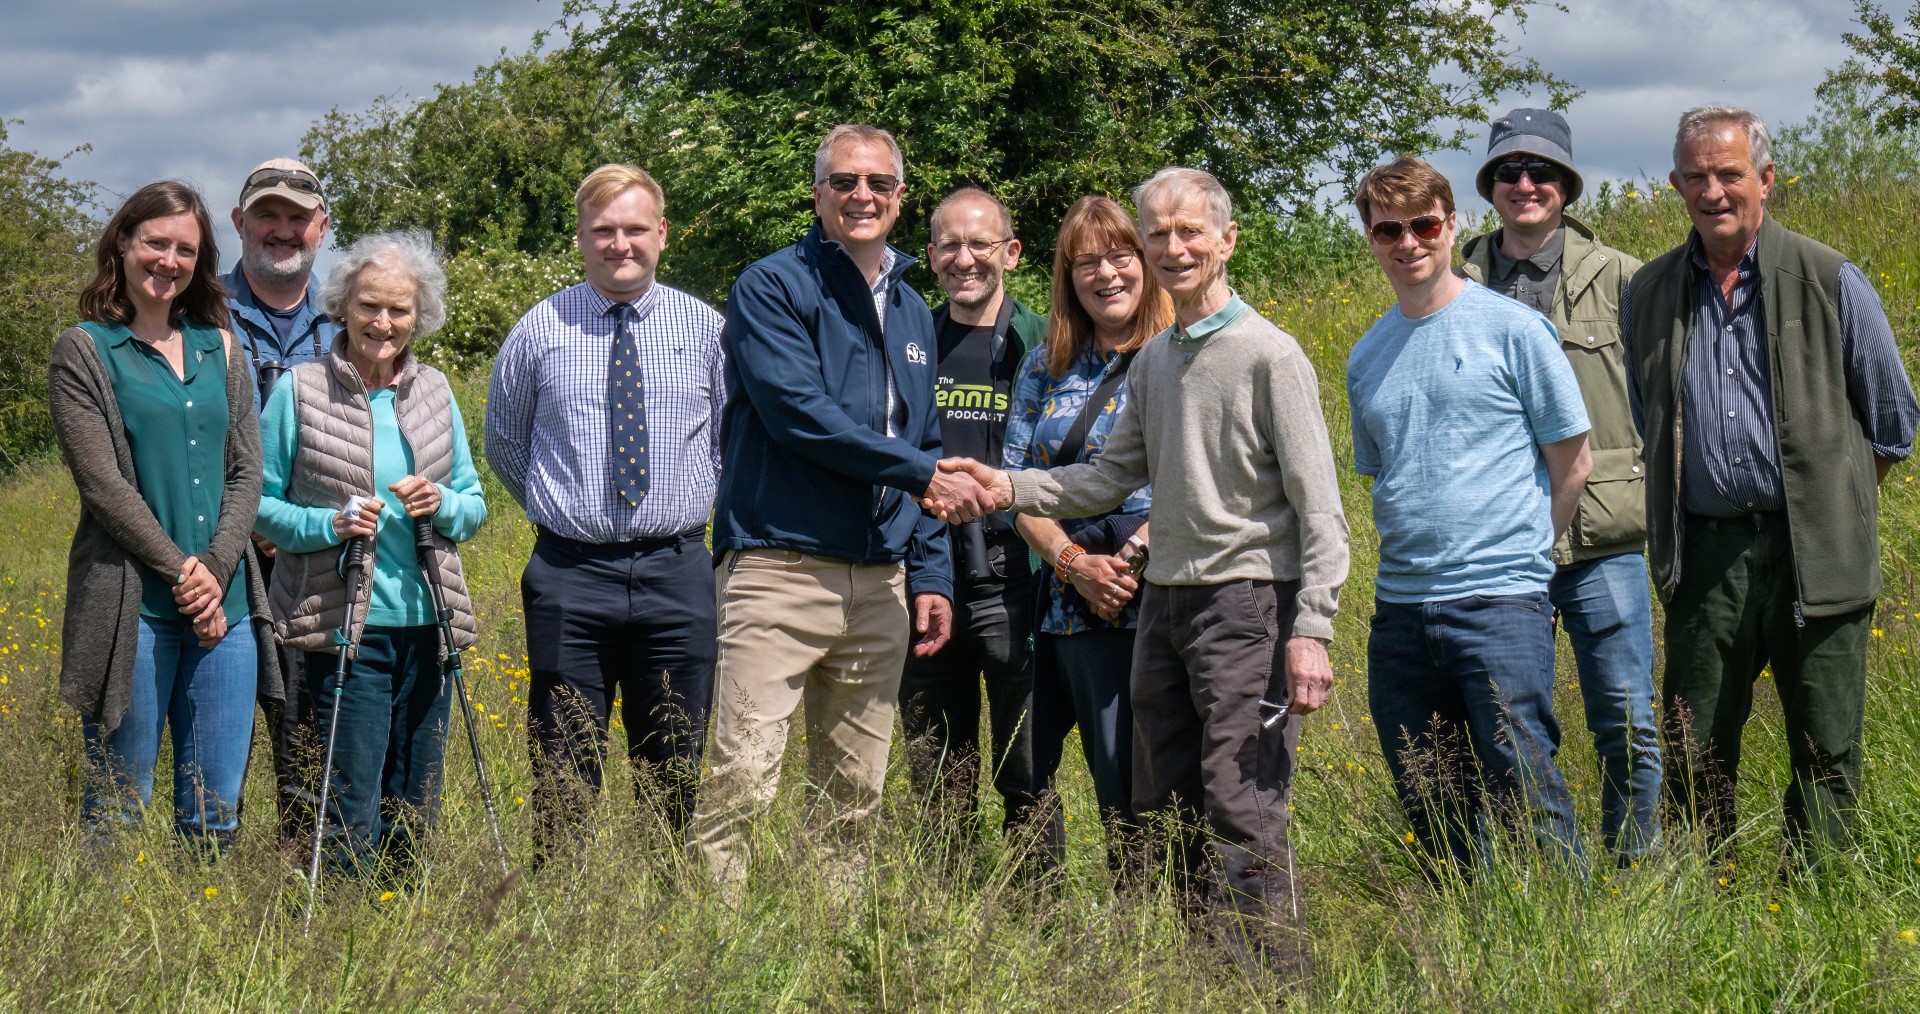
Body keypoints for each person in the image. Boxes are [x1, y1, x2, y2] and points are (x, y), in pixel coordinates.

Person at [935, 168, 1348, 967]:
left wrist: (1313, 628)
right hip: (1162, 608)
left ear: (1227, 241)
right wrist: (1004, 485)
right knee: (1161, 801)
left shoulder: (1270, 354)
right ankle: (1199, 968)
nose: (1172, 247)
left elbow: (1320, 506)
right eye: (1159, 232)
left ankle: (1270, 979)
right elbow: (1101, 478)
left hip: (1247, 602)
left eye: (1190, 231)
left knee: (1241, 800)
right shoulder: (1156, 361)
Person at [689, 124, 991, 886]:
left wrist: (930, 576)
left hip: (881, 582)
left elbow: (921, 437)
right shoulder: (772, 285)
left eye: (878, 184)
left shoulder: (916, 310)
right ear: (818, 192)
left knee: (853, 796)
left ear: (899, 197)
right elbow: (799, 413)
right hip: (779, 568)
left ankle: (835, 963)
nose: (862, 196)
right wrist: (921, 474)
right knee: (741, 787)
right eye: (845, 182)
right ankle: (716, 967)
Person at [1624, 106, 1918, 861]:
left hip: (1813, 552)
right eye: (1696, 177)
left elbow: (1893, 423)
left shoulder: (1829, 278)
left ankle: (1814, 903)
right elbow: (1646, 421)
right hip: (1707, 556)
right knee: (1695, 746)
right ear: (1674, 185)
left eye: (1729, 174)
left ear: (1766, 180)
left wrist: (1830, 509)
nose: (1713, 191)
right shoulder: (1651, 293)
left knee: (1825, 748)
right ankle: (1703, 899)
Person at [1346, 157, 1591, 873]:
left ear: (1451, 226)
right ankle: (1462, 945)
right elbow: (1383, 475)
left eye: (1424, 224)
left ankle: (1568, 941)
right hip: (1401, 612)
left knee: (1527, 787)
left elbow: (1573, 461)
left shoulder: (1513, 330)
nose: (1408, 241)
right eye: (1388, 228)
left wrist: (1526, 563)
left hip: (1499, 601)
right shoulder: (1367, 355)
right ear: (1371, 237)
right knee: (1431, 800)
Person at [484, 165, 725, 852]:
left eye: (634, 229)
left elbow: (731, 443)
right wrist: (563, 509)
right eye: (604, 231)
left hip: (677, 570)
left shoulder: (707, 330)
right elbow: (505, 441)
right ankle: (560, 907)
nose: (621, 244)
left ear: (662, 233)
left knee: (675, 762)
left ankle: (668, 907)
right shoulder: (539, 330)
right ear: (581, 239)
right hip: (570, 574)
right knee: (562, 763)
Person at [49, 180, 279, 853]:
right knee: (118, 813)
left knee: (215, 812)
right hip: (135, 610)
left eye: (185, 249)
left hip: (227, 612)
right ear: (123, 242)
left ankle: (203, 952)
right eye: (156, 242)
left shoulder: (223, 348)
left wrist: (213, 571)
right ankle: (101, 953)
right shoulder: (85, 351)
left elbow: (247, 471)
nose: (168, 261)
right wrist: (185, 573)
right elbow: (104, 486)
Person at [1456, 109, 1660, 858]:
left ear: (1567, 185)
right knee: (1509, 721)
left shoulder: (1622, 278)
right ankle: (1540, 878)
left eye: (1542, 171)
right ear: (1490, 186)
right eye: (1509, 172)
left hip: (1603, 537)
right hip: (1495, 543)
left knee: (1628, 719)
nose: (1525, 184)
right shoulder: (1456, 278)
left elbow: (1662, 399)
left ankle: (1635, 869)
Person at [255, 229, 487, 876]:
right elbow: (259, 506)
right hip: (341, 631)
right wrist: (332, 522)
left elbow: (473, 504)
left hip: (429, 629)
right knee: (347, 805)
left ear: (421, 316)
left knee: (413, 805)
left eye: (399, 310)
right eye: (369, 307)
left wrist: (440, 502)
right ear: (343, 306)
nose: (383, 323)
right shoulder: (298, 391)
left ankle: (401, 932)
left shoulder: (435, 391)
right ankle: (339, 937)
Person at [1004, 195, 1173, 876]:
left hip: (1164, 587)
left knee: (1163, 775)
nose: (1106, 274)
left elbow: (1213, 471)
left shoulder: (1180, 352)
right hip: (1071, 600)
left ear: (1147, 261)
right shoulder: (1045, 363)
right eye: (1086, 263)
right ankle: (1126, 933)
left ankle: (1184, 928)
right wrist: (1075, 564)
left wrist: (1130, 558)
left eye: (1120, 255)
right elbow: (1013, 485)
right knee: (1097, 773)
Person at [898, 187, 1050, 851]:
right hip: (925, 583)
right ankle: (945, 922)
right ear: (930, 256)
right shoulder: (907, 343)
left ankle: (1037, 916)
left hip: (1017, 579)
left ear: (1010, 253)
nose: (965, 258)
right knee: (935, 774)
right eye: (950, 245)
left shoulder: (1044, 342)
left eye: (980, 244)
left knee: (1027, 769)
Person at [225, 156, 341, 842]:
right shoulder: (196, 313)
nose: (282, 229)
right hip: (224, 560)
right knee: (221, 734)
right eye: (267, 214)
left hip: (318, 558)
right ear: (240, 223)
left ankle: (302, 879)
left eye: (298, 218)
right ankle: (208, 885)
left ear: (320, 229)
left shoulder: (353, 318)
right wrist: (254, 520)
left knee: (309, 733)